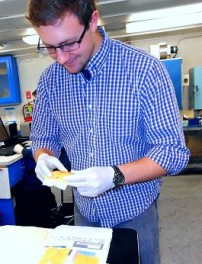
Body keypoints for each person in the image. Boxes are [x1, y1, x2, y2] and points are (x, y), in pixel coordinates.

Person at [27, 1, 190, 263]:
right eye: (49, 47)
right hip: (84, 212)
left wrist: (114, 175)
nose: (62, 57)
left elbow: (173, 152)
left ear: (92, 21)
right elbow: (44, 137)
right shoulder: (50, 81)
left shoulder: (144, 70)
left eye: (69, 43)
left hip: (134, 211)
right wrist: (42, 156)